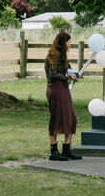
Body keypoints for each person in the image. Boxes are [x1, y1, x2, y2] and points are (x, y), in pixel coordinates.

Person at [44, 31, 82, 161]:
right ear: (62, 42)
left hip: (63, 89)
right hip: (55, 88)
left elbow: (67, 69)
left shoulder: (63, 55)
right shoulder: (53, 55)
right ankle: (53, 150)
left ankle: (66, 148)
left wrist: (74, 74)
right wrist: (67, 76)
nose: (70, 44)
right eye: (68, 41)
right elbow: (53, 74)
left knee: (70, 117)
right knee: (56, 118)